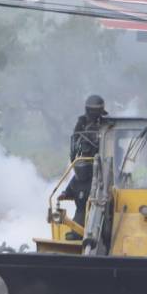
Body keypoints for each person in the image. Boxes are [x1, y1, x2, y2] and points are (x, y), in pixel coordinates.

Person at [62, 94, 108, 230]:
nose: (92, 114)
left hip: (104, 163)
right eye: (90, 111)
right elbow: (75, 140)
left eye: (95, 111)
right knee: (80, 183)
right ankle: (79, 227)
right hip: (86, 162)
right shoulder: (81, 123)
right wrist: (77, 158)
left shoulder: (107, 124)